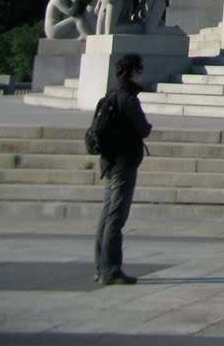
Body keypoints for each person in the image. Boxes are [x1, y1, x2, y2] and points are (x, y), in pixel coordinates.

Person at [94, 52, 152, 285]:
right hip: (123, 162)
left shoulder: (111, 94)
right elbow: (143, 128)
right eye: (140, 71)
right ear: (133, 72)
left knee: (107, 215)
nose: (141, 75)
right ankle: (110, 270)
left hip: (110, 161)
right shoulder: (127, 98)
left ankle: (101, 267)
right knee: (116, 217)